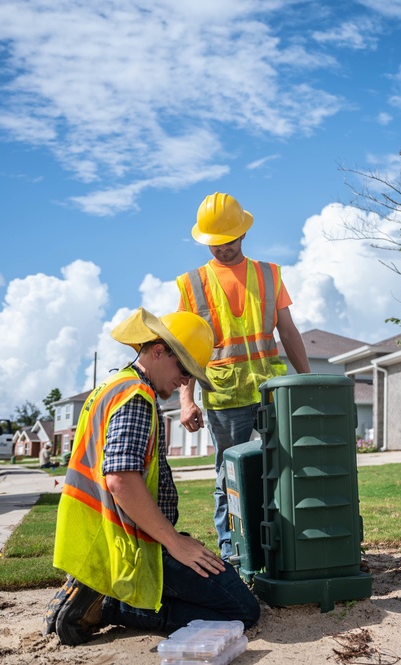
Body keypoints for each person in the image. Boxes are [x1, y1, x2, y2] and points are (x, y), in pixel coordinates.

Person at [43, 308, 260, 646]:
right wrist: (175, 543)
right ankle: (109, 606)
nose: (185, 381)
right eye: (183, 368)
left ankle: (99, 591)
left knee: (214, 579)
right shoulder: (136, 398)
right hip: (126, 544)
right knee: (242, 609)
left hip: (104, 536)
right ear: (158, 351)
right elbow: (120, 479)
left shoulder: (113, 386)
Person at [177, 192, 310, 560]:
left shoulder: (268, 274)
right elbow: (187, 349)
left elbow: (288, 331)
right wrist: (186, 400)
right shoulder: (192, 283)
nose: (222, 249)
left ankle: (285, 546)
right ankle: (232, 553)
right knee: (228, 478)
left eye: (229, 240)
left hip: (271, 391)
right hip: (223, 398)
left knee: (285, 469)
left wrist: (307, 380)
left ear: (243, 234)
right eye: (215, 243)